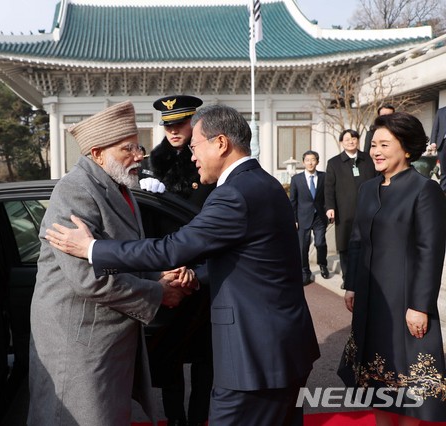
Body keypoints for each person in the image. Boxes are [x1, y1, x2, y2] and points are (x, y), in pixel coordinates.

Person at [46, 104, 320, 426]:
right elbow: (244, 261)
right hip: (281, 348)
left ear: (220, 143)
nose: (192, 157)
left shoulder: (233, 194)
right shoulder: (264, 183)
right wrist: (192, 276)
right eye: (129, 147)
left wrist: (93, 248)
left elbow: (172, 249)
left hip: (254, 359)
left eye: (195, 146)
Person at [27, 101, 188, 426]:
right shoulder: (75, 191)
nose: (139, 155)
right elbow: (89, 279)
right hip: (78, 341)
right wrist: (159, 292)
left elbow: (126, 254)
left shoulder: (119, 188)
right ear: (97, 153)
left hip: (106, 337)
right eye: (127, 148)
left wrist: (163, 274)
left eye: (138, 145)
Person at [338, 112, 446, 425]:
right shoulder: (368, 189)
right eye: (373, 145)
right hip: (371, 299)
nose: (376, 151)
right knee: (377, 382)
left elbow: (431, 251)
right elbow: (357, 241)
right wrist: (352, 285)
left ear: (407, 149)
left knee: (410, 385)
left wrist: (419, 306)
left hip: (406, 302)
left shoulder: (425, 190)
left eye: (385, 144)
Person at [140, 94, 215, 426]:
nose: (173, 131)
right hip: (169, 275)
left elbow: (215, 223)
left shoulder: (207, 163)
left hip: (202, 274)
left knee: (205, 362)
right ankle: (175, 420)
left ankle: (199, 419)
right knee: (169, 361)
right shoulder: (152, 167)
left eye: (180, 123)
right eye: (168, 125)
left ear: (193, 123)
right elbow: (145, 232)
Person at [324, 129, 376, 288]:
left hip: (368, 209)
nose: (351, 141)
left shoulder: (368, 159)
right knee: (345, 245)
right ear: (341, 142)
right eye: (347, 139)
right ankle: (348, 278)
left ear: (358, 140)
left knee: (368, 243)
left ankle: (366, 276)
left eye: (354, 138)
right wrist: (330, 207)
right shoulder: (334, 163)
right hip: (344, 211)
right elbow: (328, 187)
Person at [289, 150, 329, 285]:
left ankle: (322, 264)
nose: (310, 163)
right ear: (303, 162)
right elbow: (293, 201)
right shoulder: (296, 179)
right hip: (302, 218)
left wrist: (329, 210)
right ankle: (305, 272)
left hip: (320, 216)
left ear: (317, 161)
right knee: (303, 247)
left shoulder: (324, 177)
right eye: (307, 160)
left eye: (313, 160)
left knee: (320, 242)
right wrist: (293, 219)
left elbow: (328, 195)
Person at [430, 105, 446, 192]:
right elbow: (435, 128)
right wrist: (433, 141)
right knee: (444, 169)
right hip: (443, 143)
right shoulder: (440, 111)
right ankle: (443, 191)